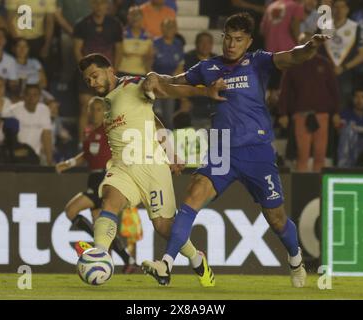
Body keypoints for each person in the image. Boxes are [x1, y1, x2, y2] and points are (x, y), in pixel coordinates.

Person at [140, 12, 331, 288]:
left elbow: (292, 56)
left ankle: (295, 258)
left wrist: (310, 46)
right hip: (221, 151)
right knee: (192, 197)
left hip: (257, 152)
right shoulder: (208, 67)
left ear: (248, 41)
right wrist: (153, 76)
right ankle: (165, 264)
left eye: (238, 40)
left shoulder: (259, 61)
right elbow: (174, 81)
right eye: (228, 38)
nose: (231, 44)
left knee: (276, 219)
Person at [77, 53, 225, 287]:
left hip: (152, 167)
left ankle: (197, 259)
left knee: (164, 227)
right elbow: (152, 120)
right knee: (109, 202)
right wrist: (170, 148)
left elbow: (169, 89)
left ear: (109, 69)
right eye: (88, 81)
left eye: (94, 76)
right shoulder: (107, 102)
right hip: (122, 167)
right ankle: (100, 256)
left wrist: (205, 92)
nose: (92, 83)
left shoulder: (133, 85)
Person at [56, 97, 139, 273]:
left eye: (98, 109)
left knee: (71, 210)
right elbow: (86, 154)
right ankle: (125, 260)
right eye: (91, 109)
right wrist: (68, 164)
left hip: (104, 178)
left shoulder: (110, 128)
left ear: (105, 111)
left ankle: (114, 257)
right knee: (102, 227)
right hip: (93, 178)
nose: (94, 112)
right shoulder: (88, 130)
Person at [278, 32, 340, 172]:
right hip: (301, 115)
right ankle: (302, 190)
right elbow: (285, 91)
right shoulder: (292, 65)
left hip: (322, 115)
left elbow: (334, 90)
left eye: (309, 42)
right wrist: (283, 113)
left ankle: (318, 189)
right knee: (302, 154)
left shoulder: (324, 63)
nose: (307, 44)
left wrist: (336, 112)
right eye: (303, 42)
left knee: (320, 154)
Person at [73, 0, 123, 144]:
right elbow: (77, 49)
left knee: (112, 108)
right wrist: (85, 70)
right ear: (91, 5)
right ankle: (82, 143)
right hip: (88, 75)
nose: (99, 6)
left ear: (107, 5)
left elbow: (119, 49)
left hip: (106, 75)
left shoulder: (114, 24)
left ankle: (110, 143)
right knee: (85, 107)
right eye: (96, 3)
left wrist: (113, 72)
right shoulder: (81, 24)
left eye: (102, 3)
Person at [9, 84, 54, 166]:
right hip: (18, 156)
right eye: (28, 94)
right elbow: (9, 136)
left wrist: (49, 161)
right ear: (23, 96)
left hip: (36, 156)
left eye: (35, 95)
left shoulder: (44, 110)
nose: (31, 98)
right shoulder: (13, 110)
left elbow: (46, 136)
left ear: (40, 97)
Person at [151, 19, 184, 129]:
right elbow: (148, 64)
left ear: (175, 29)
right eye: (167, 26)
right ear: (161, 28)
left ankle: (168, 142)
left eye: (172, 26)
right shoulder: (155, 43)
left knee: (168, 117)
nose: (169, 29)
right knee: (155, 115)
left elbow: (180, 65)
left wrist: (171, 79)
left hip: (170, 85)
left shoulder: (178, 44)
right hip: (155, 84)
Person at [337, 87, 363, 167]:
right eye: (356, 97)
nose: (359, 100)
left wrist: (355, 128)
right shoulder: (346, 114)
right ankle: (343, 168)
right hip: (350, 147)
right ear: (352, 99)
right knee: (348, 131)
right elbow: (341, 132)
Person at [116, 6, 154, 77]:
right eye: (132, 14)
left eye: (137, 14)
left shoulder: (148, 37)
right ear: (128, 17)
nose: (134, 17)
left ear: (142, 17)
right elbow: (118, 54)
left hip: (142, 74)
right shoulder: (121, 34)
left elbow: (149, 58)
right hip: (123, 73)